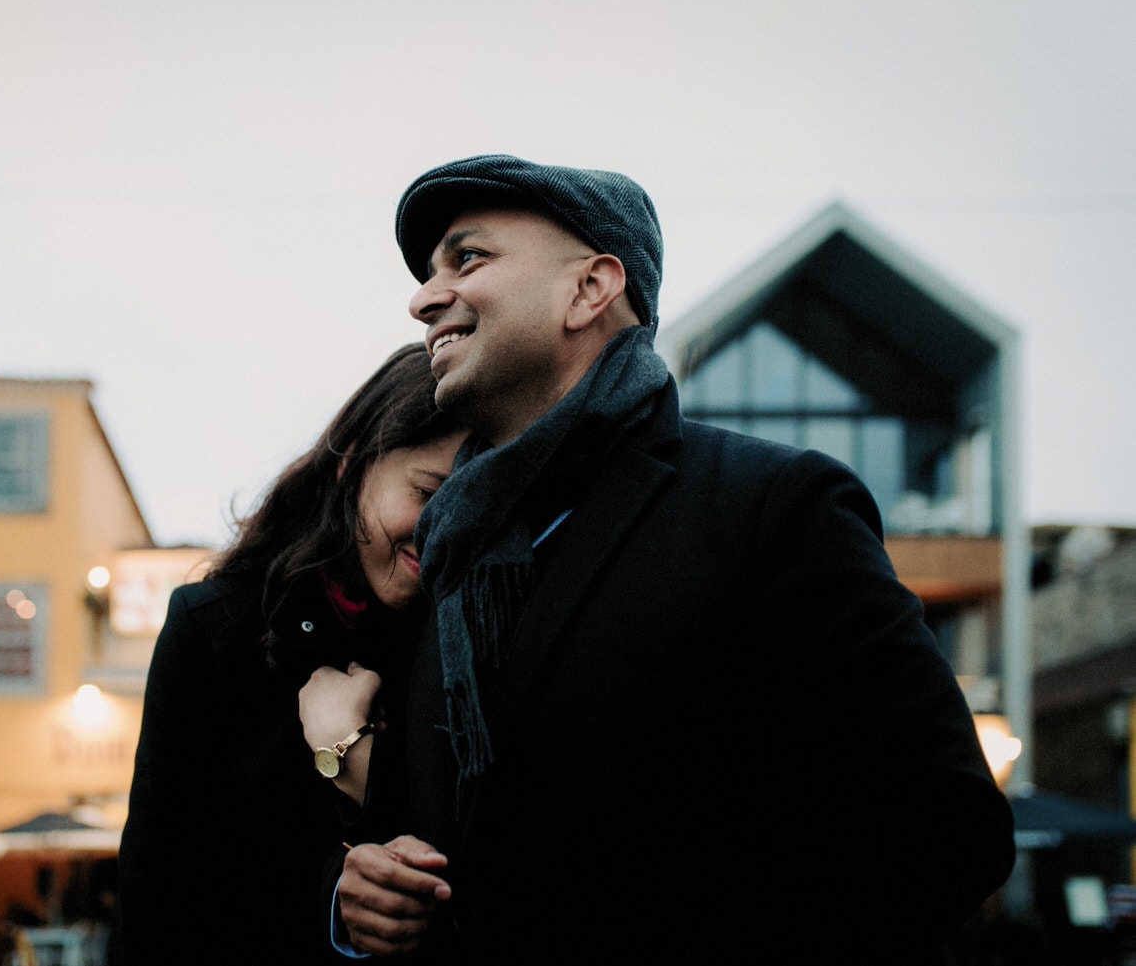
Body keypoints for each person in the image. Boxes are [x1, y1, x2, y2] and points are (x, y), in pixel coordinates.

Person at [332, 155, 1016, 964]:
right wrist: (367, 901)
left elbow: (947, 830)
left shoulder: (771, 506)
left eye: (467, 257)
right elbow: (438, 843)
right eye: (428, 273)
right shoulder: (448, 552)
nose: (422, 299)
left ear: (590, 289)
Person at [116, 344, 466, 963]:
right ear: (353, 465)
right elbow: (158, 893)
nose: (442, 529)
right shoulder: (215, 631)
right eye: (427, 492)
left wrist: (346, 747)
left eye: (467, 507)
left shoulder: (471, 638)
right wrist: (335, 895)